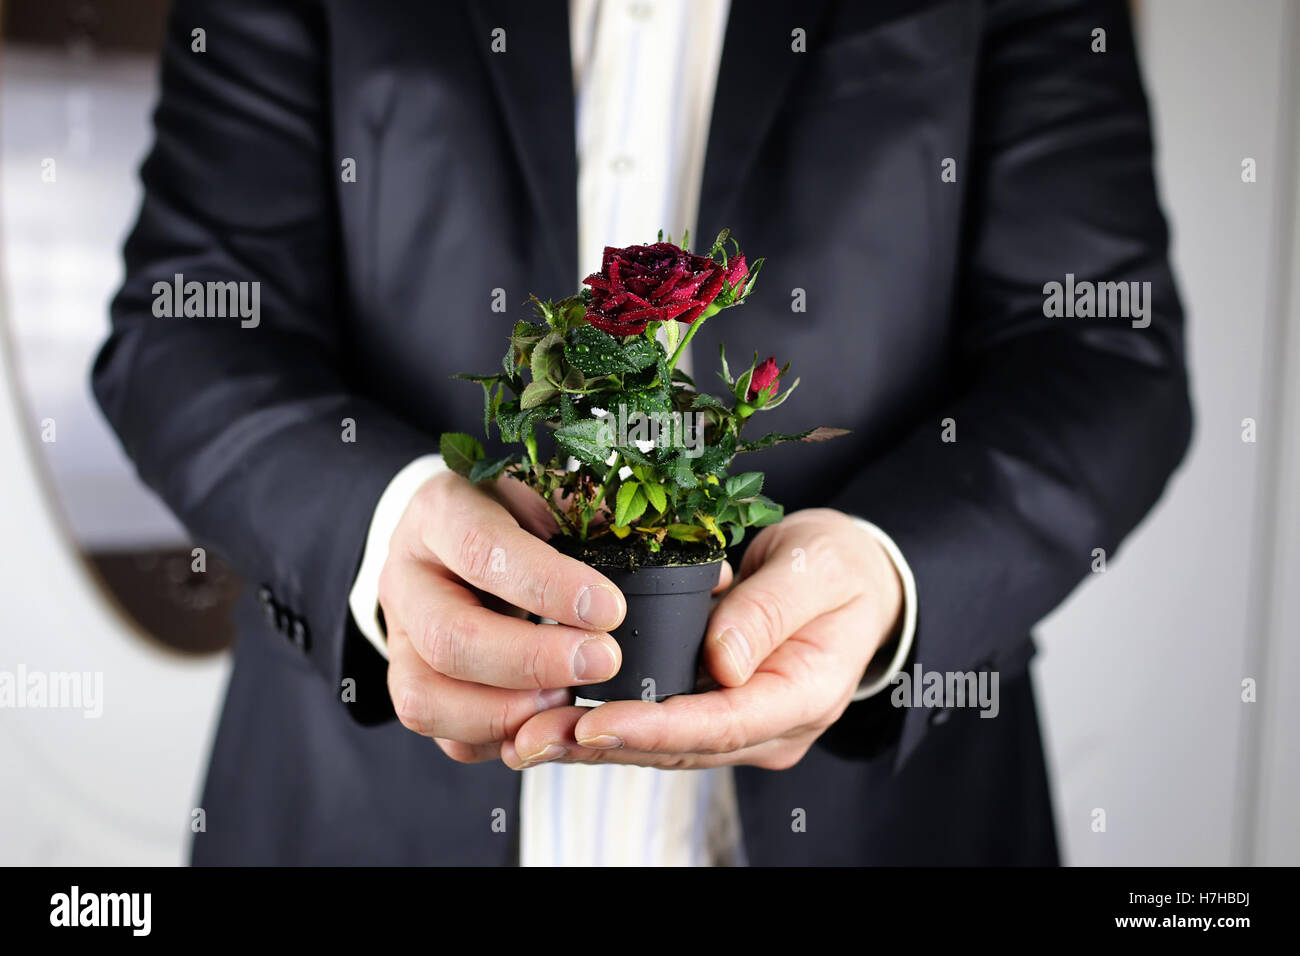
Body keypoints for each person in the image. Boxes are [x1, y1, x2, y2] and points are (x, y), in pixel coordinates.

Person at [93, 0, 1191, 865]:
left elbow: (1104, 349)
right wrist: (385, 530)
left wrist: (893, 572)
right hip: (353, 806)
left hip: (887, 817)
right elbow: (183, 321)